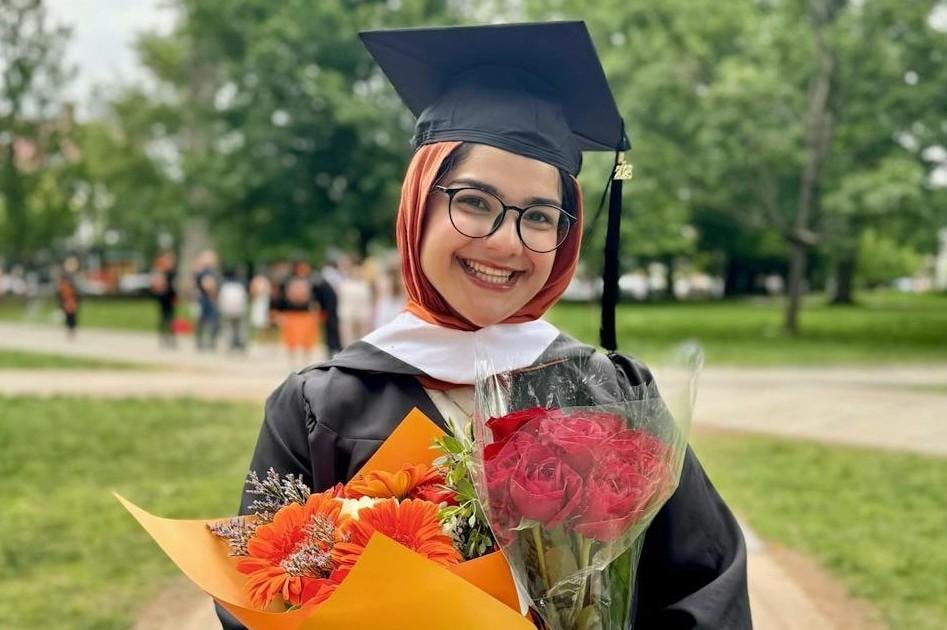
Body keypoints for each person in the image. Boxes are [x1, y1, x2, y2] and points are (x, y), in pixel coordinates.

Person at [219, 22, 750, 629]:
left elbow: (706, 584)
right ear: (420, 202)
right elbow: (258, 595)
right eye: (474, 202)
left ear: (566, 236)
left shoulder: (611, 391)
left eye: (541, 217)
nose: (505, 242)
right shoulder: (317, 405)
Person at [313, 257, 342, 357]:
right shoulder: (334, 275)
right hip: (333, 307)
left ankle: (332, 348)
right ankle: (335, 348)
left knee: (330, 329)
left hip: (327, 307)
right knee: (334, 328)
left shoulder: (324, 275)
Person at [193, 250, 221, 351]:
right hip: (204, 299)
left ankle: (209, 341)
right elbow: (207, 285)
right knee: (202, 320)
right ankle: (202, 341)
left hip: (209, 299)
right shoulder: (202, 272)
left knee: (212, 321)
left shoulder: (212, 272)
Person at [150, 251, 178, 348]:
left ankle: (171, 338)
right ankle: (164, 337)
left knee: (171, 318)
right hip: (163, 297)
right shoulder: (161, 271)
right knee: (164, 317)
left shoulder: (172, 271)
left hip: (170, 297)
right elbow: (157, 284)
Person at [218, 268, 249, 353]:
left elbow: (221, 299)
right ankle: (241, 344)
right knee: (240, 328)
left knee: (228, 328)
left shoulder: (225, 286)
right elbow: (244, 299)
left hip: (227, 310)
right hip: (239, 310)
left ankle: (230, 344)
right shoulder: (240, 286)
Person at [56, 259, 80, 340]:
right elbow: (60, 291)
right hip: (66, 299)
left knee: (72, 316)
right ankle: (69, 330)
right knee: (68, 316)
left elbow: (76, 291)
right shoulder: (64, 276)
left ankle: (72, 330)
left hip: (71, 300)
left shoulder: (73, 276)